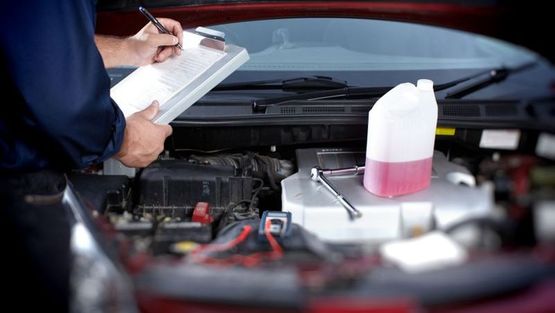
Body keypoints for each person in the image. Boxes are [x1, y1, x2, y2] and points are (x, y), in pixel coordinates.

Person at [0, 1, 183, 311]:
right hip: (16, 192)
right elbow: (62, 105)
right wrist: (125, 139)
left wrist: (129, 49)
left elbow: (28, 48)